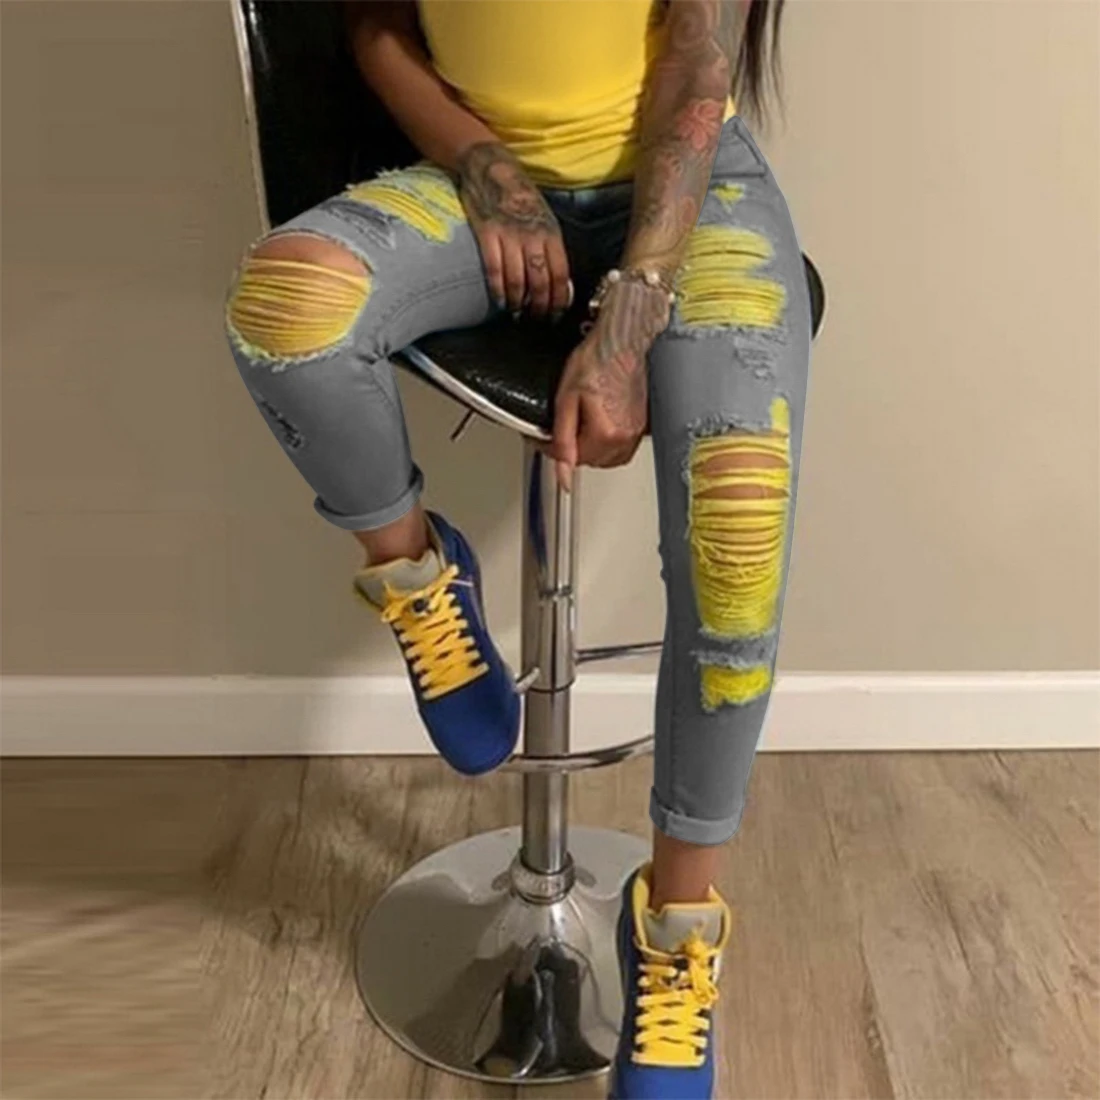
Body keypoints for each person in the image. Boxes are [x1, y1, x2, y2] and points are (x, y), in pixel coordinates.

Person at [225, 1, 807, 1096]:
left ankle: (674, 935)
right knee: (285, 313)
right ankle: (419, 575)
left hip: (691, 194)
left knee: (738, 522)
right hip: (479, 181)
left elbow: (697, 59)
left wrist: (629, 317)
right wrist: (486, 168)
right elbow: (375, 26)